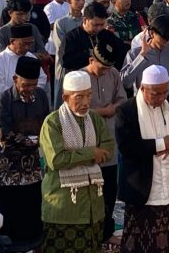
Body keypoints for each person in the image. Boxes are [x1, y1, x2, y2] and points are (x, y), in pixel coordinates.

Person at [40, 70, 115, 252]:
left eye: (89, 96)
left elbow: (108, 149)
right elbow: (57, 160)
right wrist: (90, 153)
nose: (86, 102)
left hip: (93, 207)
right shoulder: (53, 122)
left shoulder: (94, 119)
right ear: (65, 97)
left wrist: (77, 156)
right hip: (64, 207)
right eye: (79, 97)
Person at [116, 65, 169, 253]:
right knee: (138, 241)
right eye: (156, 93)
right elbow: (127, 148)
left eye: (164, 92)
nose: (161, 97)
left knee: (166, 240)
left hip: (168, 180)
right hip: (142, 187)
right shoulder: (127, 110)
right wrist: (161, 144)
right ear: (142, 88)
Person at [0, 56, 49, 244]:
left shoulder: (40, 95)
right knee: (8, 207)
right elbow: (4, 132)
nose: (30, 89)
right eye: (26, 85)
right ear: (15, 79)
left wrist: (39, 140)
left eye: (33, 84)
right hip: (9, 162)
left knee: (31, 205)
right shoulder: (4, 98)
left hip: (31, 163)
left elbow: (46, 123)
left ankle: (30, 242)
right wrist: (32, 142)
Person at [85, 30, 128, 244]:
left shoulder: (113, 74)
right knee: (88, 193)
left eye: (108, 67)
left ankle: (106, 233)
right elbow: (74, 109)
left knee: (109, 192)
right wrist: (103, 111)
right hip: (87, 145)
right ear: (90, 60)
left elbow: (122, 99)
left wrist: (113, 108)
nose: (105, 71)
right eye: (101, 67)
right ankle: (88, 234)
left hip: (109, 141)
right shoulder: (78, 79)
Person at [120, 14, 169, 109]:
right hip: (145, 109)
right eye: (164, 39)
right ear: (152, 33)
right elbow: (125, 83)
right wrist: (142, 55)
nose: (167, 43)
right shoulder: (135, 53)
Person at [0, 23, 47, 105]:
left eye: (29, 44)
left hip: (29, 104)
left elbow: (42, 78)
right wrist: (20, 95)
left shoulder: (31, 58)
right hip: (7, 106)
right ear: (12, 41)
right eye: (24, 44)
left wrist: (30, 91)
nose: (27, 47)